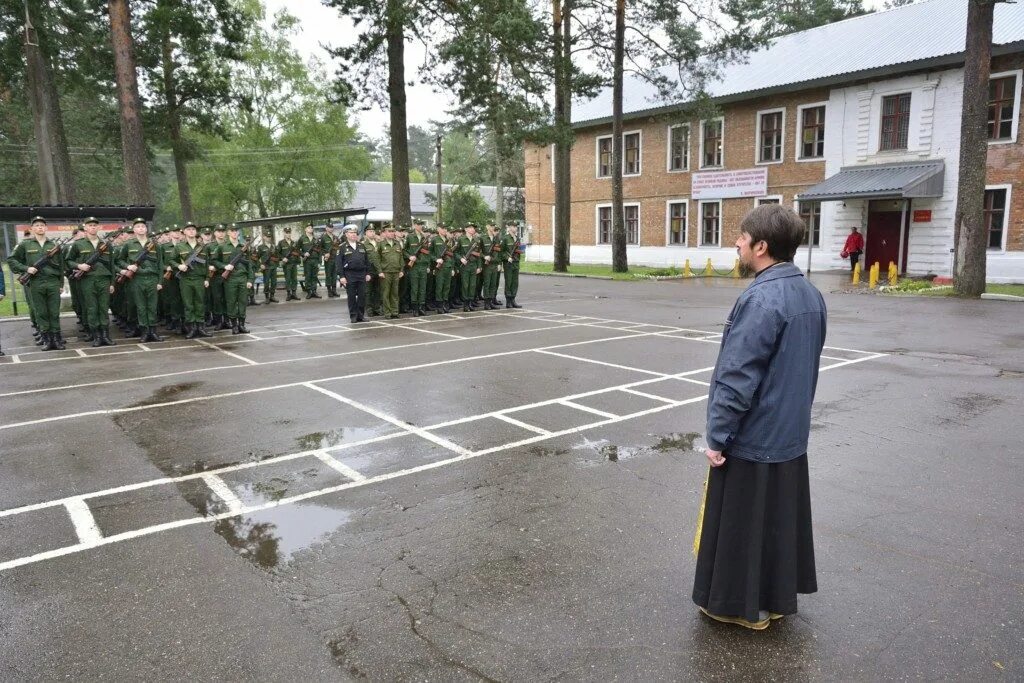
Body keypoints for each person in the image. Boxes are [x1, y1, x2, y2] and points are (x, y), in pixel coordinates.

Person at [693, 203, 827, 631]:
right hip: (789, 434)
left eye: (742, 237)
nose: (736, 242)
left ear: (762, 246)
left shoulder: (761, 297)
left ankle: (738, 608)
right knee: (773, 524)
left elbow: (737, 377)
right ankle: (771, 601)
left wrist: (717, 435)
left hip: (754, 437)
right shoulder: (810, 293)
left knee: (744, 528)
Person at [7, 216, 66, 351]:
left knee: (54, 312)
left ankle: (56, 339)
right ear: (32, 229)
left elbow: (61, 266)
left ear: (46, 228)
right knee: (41, 312)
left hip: (52, 282)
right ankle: (46, 340)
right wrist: (26, 269)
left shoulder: (54, 246)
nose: (40, 227)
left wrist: (61, 284)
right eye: (37, 225)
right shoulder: (25, 245)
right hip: (35, 282)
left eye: (42, 225)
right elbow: (11, 260)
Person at [66, 217, 116, 347]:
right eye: (90, 225)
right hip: (87, 280)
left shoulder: (106, 245)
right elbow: (68, 261)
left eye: (95, 225)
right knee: (92, 308)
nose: (93, 227)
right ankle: (96, 336)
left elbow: (111, 265)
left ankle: (105, 335)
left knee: (104, 308)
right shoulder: (78, 244)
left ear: (98, 227)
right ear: (85, 227)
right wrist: (79, 266)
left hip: (104, 279)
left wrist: (112, 283)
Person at [115, 218, 164, 343]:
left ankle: (153, 331)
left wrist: (160, 282)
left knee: (152, 307)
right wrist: (128, 266)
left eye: (143, 226)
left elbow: (160, 264)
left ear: (146, 229)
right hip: (137, 279)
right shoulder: (128, 244)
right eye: (138, 227)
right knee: (141, 307)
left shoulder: (155, 245)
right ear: (134, 230)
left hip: (152, 278)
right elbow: (119, 260)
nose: (141, 228)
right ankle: (144, 332)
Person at [173, 221, 211, 338]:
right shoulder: (179, 246)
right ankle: (192, 328)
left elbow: (207, 263)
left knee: (200, 303)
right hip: (186, 279)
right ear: (184, 232)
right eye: (188, 229)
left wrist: (207, 278)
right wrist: (179, 266)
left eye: (193, 229)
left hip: (199, 278)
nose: (191, 231)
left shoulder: (202, 247)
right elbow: (171, 260)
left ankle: (201, 327)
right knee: (188, 304)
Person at [215, 224, 254, 334]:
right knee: (231, 302)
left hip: (242, 278)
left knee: (242, 302)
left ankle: (242, 325)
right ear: (228, 233)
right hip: (230, 279)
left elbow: (249, 265)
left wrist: (250, 280)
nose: (234, 233)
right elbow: (214, 261)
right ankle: (234, 325)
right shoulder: (222, 247)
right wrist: (224, 267)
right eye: (232, 231)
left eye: (236, 231)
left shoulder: (244, 247)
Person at [337, 225, 371, 323]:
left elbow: (367, 261)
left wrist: (368, 273)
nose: (353, 235)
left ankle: (361, 315)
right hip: (349, 274)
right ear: (346, 234)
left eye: (355, 233)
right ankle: (353, 316)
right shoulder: (342, 247)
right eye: (351, 233)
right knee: (351, 296)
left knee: (362, 296)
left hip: (361, 274)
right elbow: (339, 263)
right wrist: (342, 276)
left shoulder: (361, 245)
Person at [375, 224, 404, 319]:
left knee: (395, 293)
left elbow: (401, 258)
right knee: (386, 293)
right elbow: (377, 259)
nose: (392, 233)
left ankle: (395, 312)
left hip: (396, 272)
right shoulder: (380, 244)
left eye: (393, 231)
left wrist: (401, 270)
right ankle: (387, 313)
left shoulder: (397, 243)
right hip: (386, 272)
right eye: (389, 231)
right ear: (385, 232)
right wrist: (380, 271)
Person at [404, 219, 430, 316]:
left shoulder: (425, 237)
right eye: (418, 224)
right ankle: (415, 308)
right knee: (415, 288)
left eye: (421, 225)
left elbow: (428, 252)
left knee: (423, 288)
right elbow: (404, 250)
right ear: (414, 225)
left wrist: (427, 265)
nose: (420, 226)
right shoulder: (410, 237)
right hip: (414, 266)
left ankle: (421, 307)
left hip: (423, 265)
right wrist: (410, 257)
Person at [500, 222, 523, 308]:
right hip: (508, 264)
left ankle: (513, 299)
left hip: (516, 262)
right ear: (509, 228)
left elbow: (518, 250)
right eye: (513, 226)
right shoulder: (505, 238)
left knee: (515, 282)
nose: (515, 228)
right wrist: (506, 257)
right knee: (509, 282)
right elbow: (501, 252)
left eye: (516, 226)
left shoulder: (517, 238)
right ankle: (508, 301)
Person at [277, 227, 300, 301]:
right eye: (287, 233)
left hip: (294, 264)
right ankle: (288, 294)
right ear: (284, 233)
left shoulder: (294, 243)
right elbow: (277, 253)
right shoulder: (281, 243)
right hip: (287, 264)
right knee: (288, 279)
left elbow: (297, 253)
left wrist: (298, 262)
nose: (288, 234)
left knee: (294, 279)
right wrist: (282, 258)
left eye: (289, 232)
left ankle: (294, 293)